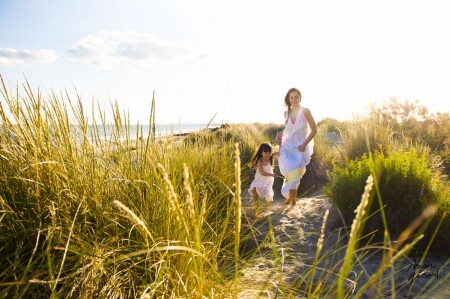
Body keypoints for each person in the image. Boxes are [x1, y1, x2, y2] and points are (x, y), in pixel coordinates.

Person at [275, 87, 317, 205]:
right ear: (288, 99)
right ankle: (291, 198)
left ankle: (291, 199)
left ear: (300, 98)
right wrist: (278, 136)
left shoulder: (305, 111)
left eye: (296, 97)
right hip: (287, 147)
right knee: (290, 170)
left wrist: (304, 145)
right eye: (291, 97)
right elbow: (288, 130)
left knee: (295, 171)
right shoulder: (286, 113)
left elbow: (314, 130)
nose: (294, 99)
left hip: (300, 147)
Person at [248, 142, 280, 208]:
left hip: (268, 180)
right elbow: (262, 172)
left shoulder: (271, 157)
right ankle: (256, 206)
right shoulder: (260, 161)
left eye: (269, 152)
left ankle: (266, 208)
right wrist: (272, 174)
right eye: (265, 152)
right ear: (261, 153)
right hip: (260, 178)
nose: (268, 154)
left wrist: (281, 144)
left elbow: (280, 153)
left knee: (268, 194)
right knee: (255, 190)